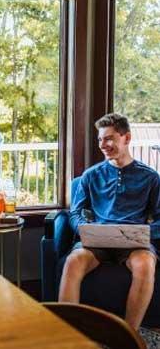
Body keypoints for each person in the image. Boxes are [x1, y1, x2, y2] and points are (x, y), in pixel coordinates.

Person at [59, 113, 160, 330]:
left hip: (134, 243)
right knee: (73, 261)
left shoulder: (150, 178)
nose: (103, 145)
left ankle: (128, 334)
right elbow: (75, 213)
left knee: (145, 263)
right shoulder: (90, 176)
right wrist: (84, 230)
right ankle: (66, 334)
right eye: (100, 139)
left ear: (127, 138)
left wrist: (145, 233)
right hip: (98, 240)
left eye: (109, 138)